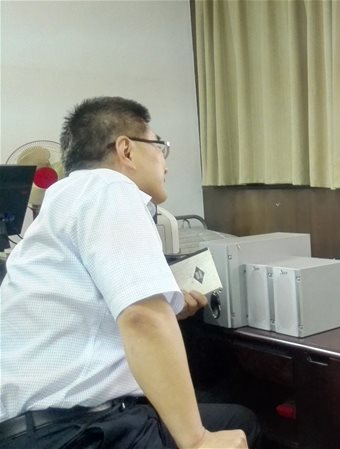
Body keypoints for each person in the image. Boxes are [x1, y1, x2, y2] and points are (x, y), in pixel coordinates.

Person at [0, 97, 260, 449]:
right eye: (159, 147)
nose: (165, 164)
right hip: (78, 432)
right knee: (233, 426)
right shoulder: (109, 188)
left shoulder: (63, 200)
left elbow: (95, 310)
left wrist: (170, 306)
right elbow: (141, 319)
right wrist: (197, 440)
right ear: (126, 150)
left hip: (35, 429)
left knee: (235, 418)